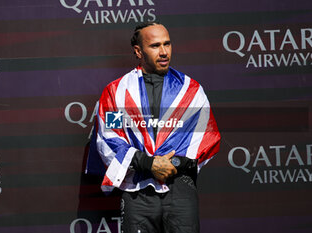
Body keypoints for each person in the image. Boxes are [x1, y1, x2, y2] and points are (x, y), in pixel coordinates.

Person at [87, 22, 221, 233]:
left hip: (180, 188)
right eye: (155, 45)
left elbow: (205, 138)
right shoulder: (116, 92)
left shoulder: (191, 90)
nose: (164, 52)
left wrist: (171, 163)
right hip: (137, 194)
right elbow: (110, 139)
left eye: (167, 44)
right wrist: (149, 163)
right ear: (138, 51)